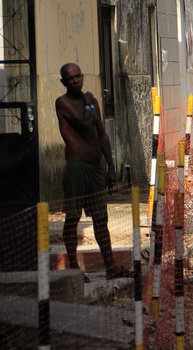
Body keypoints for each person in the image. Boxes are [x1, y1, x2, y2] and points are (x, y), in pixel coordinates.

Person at [55, 63, 124, 280]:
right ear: (64, 82)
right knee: (73, 217)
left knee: (100, 219)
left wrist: (111, 167)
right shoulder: (64, 102)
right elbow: (84, 122)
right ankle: (74, 268)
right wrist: (88, 103)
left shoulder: (92, 102)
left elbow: (101, 134)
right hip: (77, 168)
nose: (76, 81)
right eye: (71, 78)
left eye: (78, 76)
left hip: (95, 169)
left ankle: (111, 266)